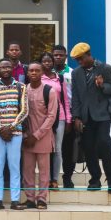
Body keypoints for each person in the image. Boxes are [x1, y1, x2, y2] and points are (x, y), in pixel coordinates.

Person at [70, 42, 111, 193]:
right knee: (88, 148)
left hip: (102, 115)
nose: (79, 62)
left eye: (81, 58)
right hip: (85, 117)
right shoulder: (76, 73)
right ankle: (95, 180)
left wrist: (103, 85)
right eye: (77, 60)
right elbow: (76, 97)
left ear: (89, 55)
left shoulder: (105, 68)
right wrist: (76, 117)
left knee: (104, 144)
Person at [0, 58, 28, 211]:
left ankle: (15, 200)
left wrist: (10, 127)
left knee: (14, 166)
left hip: (15, 133)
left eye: (8, 67)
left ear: (13, 68)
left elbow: (24, 110)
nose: (5, 69)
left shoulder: (21, 87)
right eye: (2, 67)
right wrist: (0, 128)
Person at [21, 62, 58, 209]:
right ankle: (30, 199)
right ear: (27, 73)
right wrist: (25, 135)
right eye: (31, 70)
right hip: (26, 137)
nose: (34, 73)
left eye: (37, 70)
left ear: (42, 72)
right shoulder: (24, 90)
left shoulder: (50, 91)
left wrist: (36, 135)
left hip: (43, 137)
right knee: (27, 170)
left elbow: (51, 117)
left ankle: (42, 199)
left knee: (44, 171)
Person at [39, 52, 71, 190]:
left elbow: (65, 100)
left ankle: (54, 179)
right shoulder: (37, 78)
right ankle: (44, 178)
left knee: (57, 149)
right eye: (44, 61)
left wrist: (69, 119)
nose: (47, 63)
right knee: (45, 149)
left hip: (60, 117)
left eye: (49, 61)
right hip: (42, 118)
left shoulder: (60, 79)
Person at [53, 44, 76, 188]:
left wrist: (75, 116)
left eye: (61, 55)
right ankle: (51, 178)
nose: (58, 57)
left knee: (68, 148)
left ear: (65, 56)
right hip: (52, 115)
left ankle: (68, 177)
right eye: (55, 55)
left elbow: (77, 95)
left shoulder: (72, 73)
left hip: (69, 114)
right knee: (53, 148)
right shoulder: (48, 73)